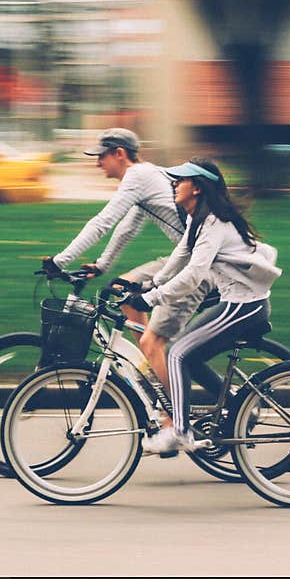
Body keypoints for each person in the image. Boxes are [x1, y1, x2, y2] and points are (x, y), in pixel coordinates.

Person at [123, 158, 282, 455]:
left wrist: (151, 299)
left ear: (196, 187)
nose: (173, 184)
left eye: (179, 181)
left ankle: (180, 432)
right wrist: (148, 285)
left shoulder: (214, 223)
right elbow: (179, 258)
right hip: (237, 304)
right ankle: (236, 405)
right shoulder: (199, 221)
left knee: (177, 354)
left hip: (244, 308)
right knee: (189, 357)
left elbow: (194, 275)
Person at [41, 128, 214, 396]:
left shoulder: (137, 176)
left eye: (101, 156)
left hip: (198, 264)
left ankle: (173, 407)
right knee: (123, 289)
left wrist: (60, 261)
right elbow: (127, 228)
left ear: (119, 154)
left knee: (153, 338)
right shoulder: (146, 175)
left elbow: (103, 222)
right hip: (186, 255)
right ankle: (151, 367)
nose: (97, 163)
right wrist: (102, 265)